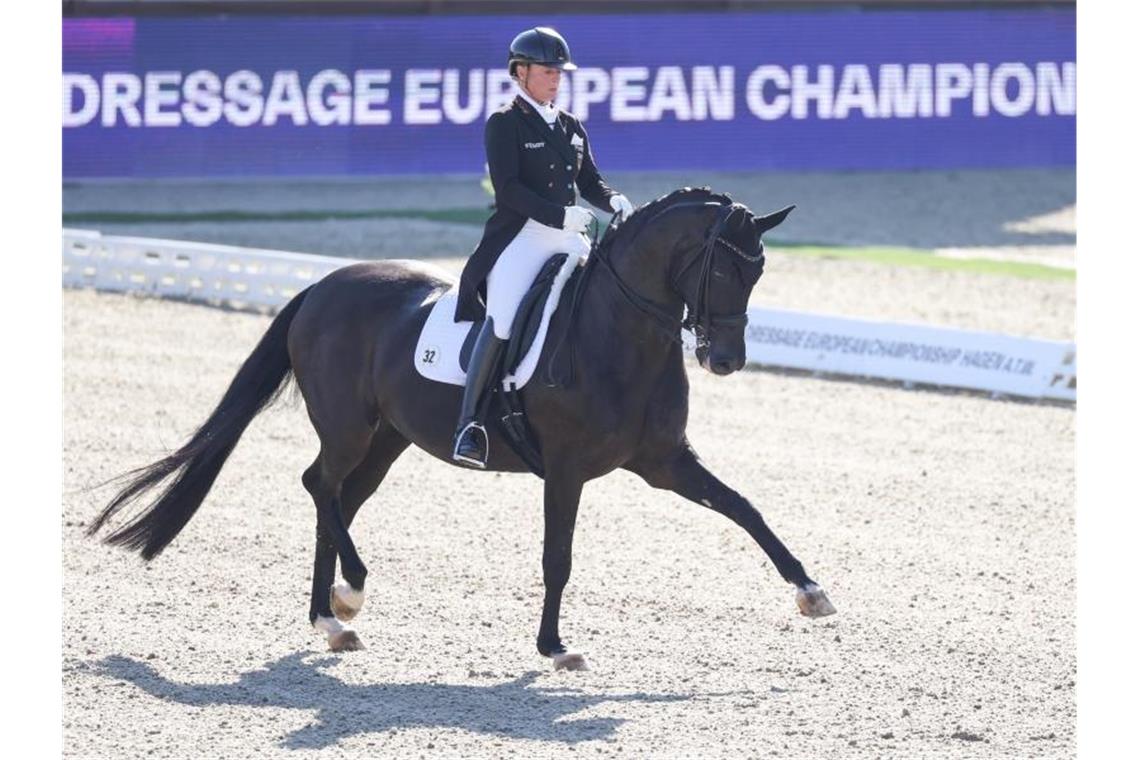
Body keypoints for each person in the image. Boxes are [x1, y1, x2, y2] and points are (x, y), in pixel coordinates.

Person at [451, 26, 634, 469]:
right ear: (520, 72)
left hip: (568, 236)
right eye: (547, 70)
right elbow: (509, 189)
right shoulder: (504, 122)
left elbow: (589, 181)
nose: (555, 78)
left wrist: (612, 200)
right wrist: (558, 215)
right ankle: (470, 424)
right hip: (521, 238)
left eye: (559, 71)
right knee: (505, 314)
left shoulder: (570, 125)